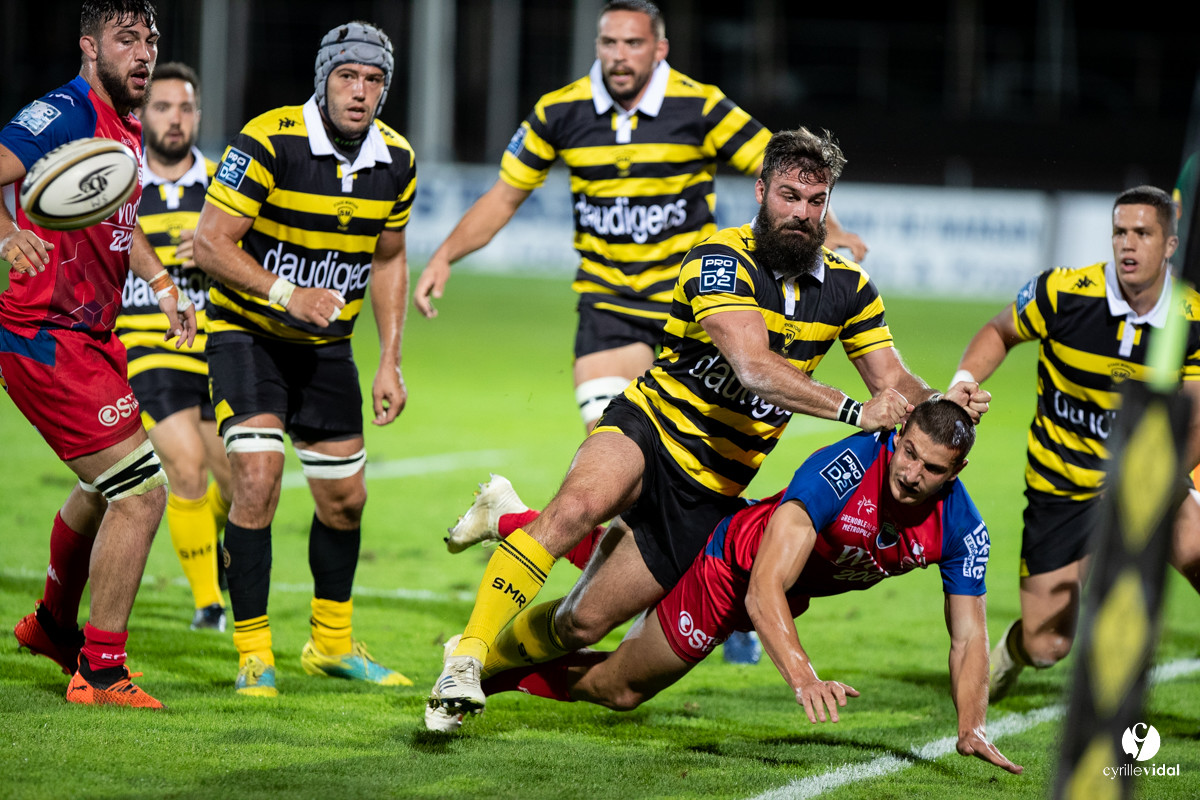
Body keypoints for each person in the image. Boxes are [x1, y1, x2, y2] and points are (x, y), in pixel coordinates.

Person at [428, 126, 991, 717]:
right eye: (788, 196)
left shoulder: (849, 289)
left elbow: (896, 382)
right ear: (760, 191)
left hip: (710, 489)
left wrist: (948, 401)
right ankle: (464, 659)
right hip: (649, 431)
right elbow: (752, 366)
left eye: (816, 200)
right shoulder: (721, 258)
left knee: (580, 624)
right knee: (574, 510)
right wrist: (852, 410)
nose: (802, 213)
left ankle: (482, 662)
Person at [428, 402, 1022, 772]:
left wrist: (971, 724)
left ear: (956, 474)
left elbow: (969, 638)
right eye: (908, 452)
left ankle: (505, 516)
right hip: (730, 572)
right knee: (619, 688)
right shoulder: (845, 468)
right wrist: (802, 674)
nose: (910, 473)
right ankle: (477, 672)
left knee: (619, 583)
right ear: (899, 437)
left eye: (931, 468)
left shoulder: (964, 530)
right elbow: (764, 588)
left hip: (768, 585)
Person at [414, 0, 868, 434]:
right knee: (611, 440)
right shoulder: (558, 112)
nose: (619, 56)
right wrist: (443, 256)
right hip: (609, 303)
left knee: (679, 461)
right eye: (609, 43)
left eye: (633, 43)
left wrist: (835, 229)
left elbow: (786, 171)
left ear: (660, 49)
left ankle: (518, 516)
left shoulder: (700, 106)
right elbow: (503, 197)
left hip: (691, 303)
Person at [193, 21, 416, 697]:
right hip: (246, 336)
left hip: (326, 349)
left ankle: (331, 645)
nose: (360, 92)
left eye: (373, 80)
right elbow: (209, 243)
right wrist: (287, 292)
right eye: (347, 76)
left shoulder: (397, 159)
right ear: (323, 78)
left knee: (345, 502)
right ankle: (255, 653)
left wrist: (390, 361)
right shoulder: (269, 139)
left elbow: (390, 256)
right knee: (257, 479)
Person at [1, 0, 196, 708]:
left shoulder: (128, 125)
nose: (143, 52)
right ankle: (102, 669)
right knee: (141, 494)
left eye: (150, 39)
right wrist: (3, 234)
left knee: (102, 485)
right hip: (44, 339)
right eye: (126, 39)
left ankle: (54, 626)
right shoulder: (66, 113)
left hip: (91, 336)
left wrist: (164, 283)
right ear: (90, 47)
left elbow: (122, 219)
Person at [953, 185, 1200, 700]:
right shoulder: (1063, 293)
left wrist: (1148, 479)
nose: (1128, 244)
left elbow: (1197, 421)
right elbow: (999, 330)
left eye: (1143, 233)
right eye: (1119, 232)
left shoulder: (1191, 318)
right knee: (1049, 645)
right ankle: (1011, 654)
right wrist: (961, 385)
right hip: (1061, 485)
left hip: (1151, 477)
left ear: (1170, 244)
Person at [115, 61, 231, 632]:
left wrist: (216, 253)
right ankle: (209, 605)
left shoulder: (221, 190)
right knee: (185, 465)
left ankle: (217, 556)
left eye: (186, 107)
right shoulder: (120, 184)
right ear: (141, 115)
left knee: (238, 482)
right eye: (162, 107)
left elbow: (254, 264)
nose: (175, 119)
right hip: (146, 345)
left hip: (217, 349)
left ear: (198, 115)